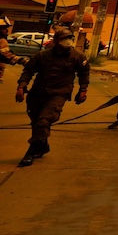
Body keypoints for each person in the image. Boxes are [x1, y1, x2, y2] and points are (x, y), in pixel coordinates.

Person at [15, 26, 90, 166]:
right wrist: (21, 86)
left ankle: (30, 151)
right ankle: (43, 145)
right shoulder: (43, 55)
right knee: (36, 121)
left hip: (59, 93)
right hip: (38, 92)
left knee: (44, 121)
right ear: (56, 40)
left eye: (69, 38)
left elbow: (84, 73)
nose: (67, 41)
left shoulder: (77, 56)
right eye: (64, 39)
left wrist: (83, 90)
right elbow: (28, 70)